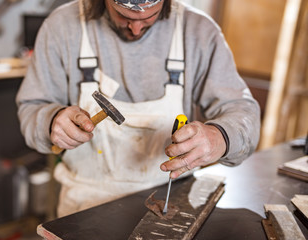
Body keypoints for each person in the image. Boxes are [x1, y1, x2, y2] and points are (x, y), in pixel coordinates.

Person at [16, 0, 260, 217]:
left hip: (171, 200)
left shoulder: (198, 31)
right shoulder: (63, 25)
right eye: (124, 16)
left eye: (148, 16)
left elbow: (243, 111)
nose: (135, 29)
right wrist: (51, 120)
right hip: (84, 204)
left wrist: (221, 136)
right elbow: (31, 108)